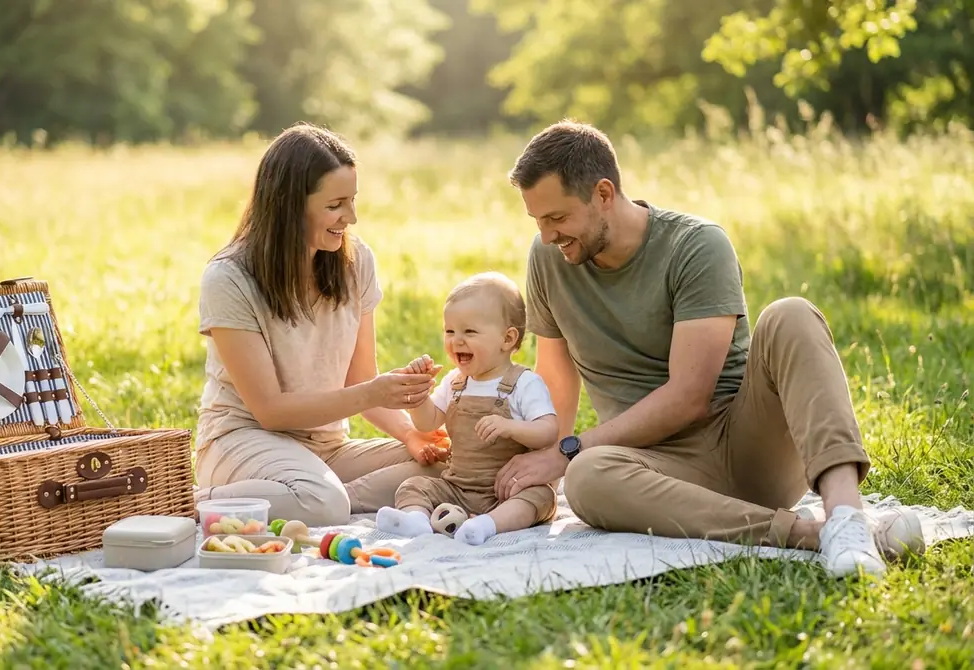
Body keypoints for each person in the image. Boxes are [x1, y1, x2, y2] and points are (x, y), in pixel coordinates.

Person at [494, 120, 925, 578]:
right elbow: (556, 379)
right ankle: (815, 535)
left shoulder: (696, 245)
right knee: (586, 476)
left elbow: (689, 397)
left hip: (746, 449)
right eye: (537, 220)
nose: (546, 235)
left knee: (791, 313)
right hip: (654, 470)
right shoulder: (549, 260)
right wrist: (543, 458)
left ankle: (847, 516)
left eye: (557, 218)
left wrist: (569, 448)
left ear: (603, 194)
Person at [193, 122, 449, 526]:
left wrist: (409, 434)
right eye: (336, 205)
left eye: (352, 201)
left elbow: (359, 376)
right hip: (242, 441)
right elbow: (271, 411)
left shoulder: (356, 263)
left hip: (324, 447)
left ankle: (316, 497)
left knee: (459, 466)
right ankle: (189, 502)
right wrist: (374, 392)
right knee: (323, 500)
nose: (351, 217)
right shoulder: (229, 278)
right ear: (289, 205)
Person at [375, 272, 560, 545]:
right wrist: (418, 396)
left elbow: (549, 431)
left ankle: (488, 525)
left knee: (541, 497)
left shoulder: (523, 383)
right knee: (414, 486)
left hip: (507, 489)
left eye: (469, 331)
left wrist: (511, 427)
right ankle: (416, 521)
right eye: (449, 331)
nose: (456, 340)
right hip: (456, 487)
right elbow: (427, 423)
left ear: (507, 339)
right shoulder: (455, 382)